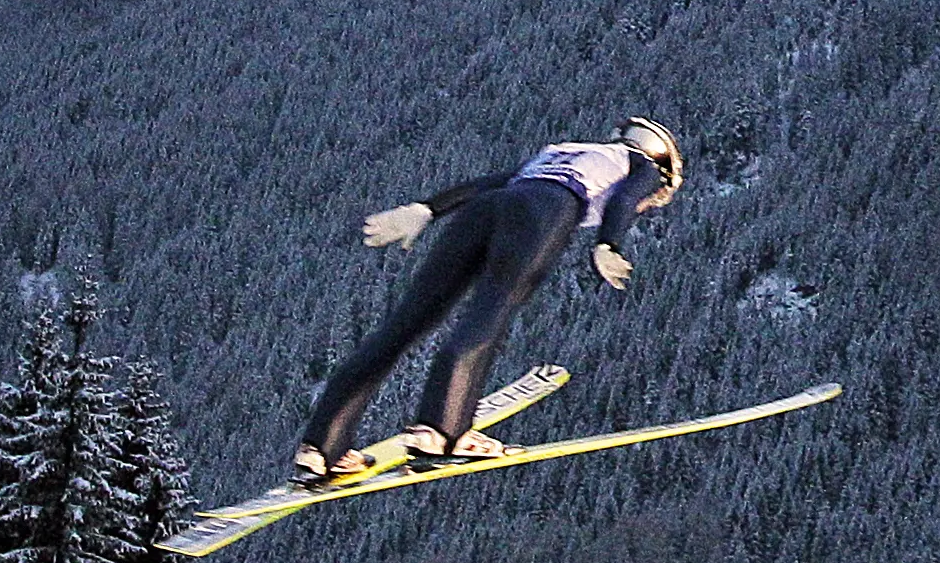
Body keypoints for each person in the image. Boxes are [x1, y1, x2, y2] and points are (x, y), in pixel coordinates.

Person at [294, 117, 686, 485]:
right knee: (489, 313)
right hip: (544, 212)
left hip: (489, 207)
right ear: (659, 158)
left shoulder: (564, 150)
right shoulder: (643, 165)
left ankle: (322, 449)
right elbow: (623, 202)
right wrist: (609, 243)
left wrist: (426, 209)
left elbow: (488, 184)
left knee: (406, 322)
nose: (649, 202)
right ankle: (443, 431)